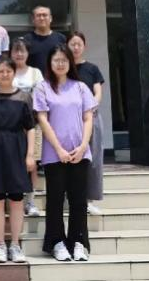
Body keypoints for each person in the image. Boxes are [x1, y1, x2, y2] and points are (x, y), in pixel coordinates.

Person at [34, 44, 95, 262]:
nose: (60, 64)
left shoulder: (81, 87)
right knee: (55, 200)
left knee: (79, 201)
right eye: (56, 60)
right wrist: (59, 149)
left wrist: (83, 146)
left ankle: (79, 242)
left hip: (80, 153)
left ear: (70, 62)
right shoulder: (42, 88)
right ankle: (56, 242)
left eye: (64, 60)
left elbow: (88, 118)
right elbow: (43, 120)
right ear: (49, 63)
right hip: (54, 155)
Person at [0, 57, 35, 264]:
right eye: (1, 71)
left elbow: (30, 128)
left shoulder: (24, 97)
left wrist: (30, 155)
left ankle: (15, 244)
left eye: (8, 71)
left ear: (14, 73)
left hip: (17, 148)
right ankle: (1, 244)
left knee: (17, 199)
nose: (4, 75)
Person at [5, 37, 44, 217]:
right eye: (16, 50)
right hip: (10, 126)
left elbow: (40, 98)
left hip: (32, 125)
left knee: (32, 164)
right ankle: (13, 200)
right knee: (11, 163)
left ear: (28, 53)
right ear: (10, 53)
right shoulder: (6, 71)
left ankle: (30, 201)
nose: (19, 54)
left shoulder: (36, 73)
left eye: (23, 50)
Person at [67, 31, 105, 216]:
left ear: (84, 46)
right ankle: (71, 197)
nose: (75, 47)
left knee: (93, 159)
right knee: (71, 157)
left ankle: (88, 200)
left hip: (91, 117)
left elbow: (98, 92)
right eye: (72, 44)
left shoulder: (92, 68)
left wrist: (89, 107)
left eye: (79, 44)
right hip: (69, 119)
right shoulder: (64, 69)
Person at [25, 5, 66, 75]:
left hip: (56, 79)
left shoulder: (61, 38)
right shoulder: (26, 40)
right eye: (38, 15)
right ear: (33, 19)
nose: (42, 18)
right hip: (34, 80)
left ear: (50, 18)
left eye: (44, 15)